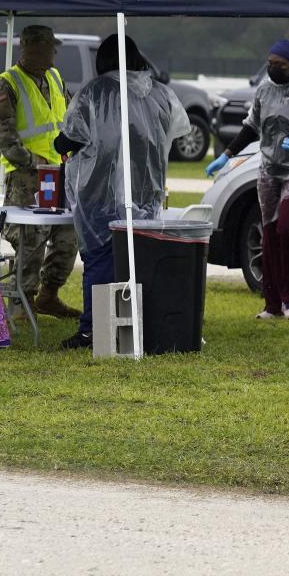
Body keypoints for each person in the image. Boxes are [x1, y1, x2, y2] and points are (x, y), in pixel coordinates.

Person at [54, 35, 190, 349]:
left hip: (98, 194)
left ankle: (94, 329)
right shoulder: (159, 94)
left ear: (102, 60)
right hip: (144, 193)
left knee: (100, 260)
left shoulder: (94, 92)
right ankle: (137, 323)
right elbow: (173, 132)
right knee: (137, 260)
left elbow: (68, 139)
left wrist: (59, 145)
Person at [206, 40, 289, 320]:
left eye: (281, 65)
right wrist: (227, 155)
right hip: (269, 170)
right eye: (271, 63)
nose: (274, 68)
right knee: (270, 234)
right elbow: (252, 126)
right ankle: (272, 303)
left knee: (288, 229)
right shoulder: (264, 90)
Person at [0, 24, 80, 320]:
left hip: (59, 171)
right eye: (49, 46)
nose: (54, 51)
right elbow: (0, 132)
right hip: (25, 176)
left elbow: (68, 117)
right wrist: (29, 160)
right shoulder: (7, 83)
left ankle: (48, 295)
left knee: (68, 234)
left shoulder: (53, 77)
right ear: (30, 47)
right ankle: (22, 302)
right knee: (30, 238)